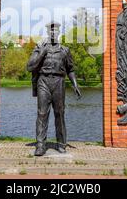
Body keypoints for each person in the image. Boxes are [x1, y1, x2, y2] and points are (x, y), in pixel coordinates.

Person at [27, 21, 82, 156]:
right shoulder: (39, 47)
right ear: (47, 32)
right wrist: (42, 53)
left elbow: (70, 69)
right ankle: (40, 145)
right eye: (50, 30)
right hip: (43, 81)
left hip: (58, 82)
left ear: (58, 32)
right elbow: (30, 67)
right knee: (42, 113)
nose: (53, 32)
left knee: (60, 113)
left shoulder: (64, 50)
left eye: (55, 30)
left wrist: (75, 84)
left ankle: (61, 143)